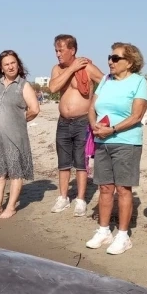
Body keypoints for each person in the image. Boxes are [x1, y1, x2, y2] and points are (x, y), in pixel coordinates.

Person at [85, 43, 147, 255]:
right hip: (102, 141)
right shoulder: (104, 80)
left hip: (126, 141)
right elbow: (92, 107)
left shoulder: (138, 82)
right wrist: (94, 125)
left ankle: (123, 235)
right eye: (109, 57)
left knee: (123, 188)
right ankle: (104, 231)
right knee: (105, 188)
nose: (110, 62)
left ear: (129, 62)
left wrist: (111, 130)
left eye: (115, 58)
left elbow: (136, 116)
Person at [48, 34, 105, 216]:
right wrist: (71, 68)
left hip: (82, 122)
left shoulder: (86, 67)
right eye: (56, 50)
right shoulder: (57, 69)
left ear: (72, 50)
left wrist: (98, 108)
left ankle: (80, 199)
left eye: (61, 50)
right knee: (63, 162)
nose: (57, 54)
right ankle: (63, 198)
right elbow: (53, 87)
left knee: (81, 163)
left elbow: (105, 82)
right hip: (63, 122)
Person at [0, 50, 40, 218]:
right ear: (1, 67)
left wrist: (20, 119)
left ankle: (11, 207)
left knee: (16, 171)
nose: (10, 66)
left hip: (16, 137)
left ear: (18, 64)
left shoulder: (23, 85)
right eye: (6, 64)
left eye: (13, 63)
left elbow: (35, 109)